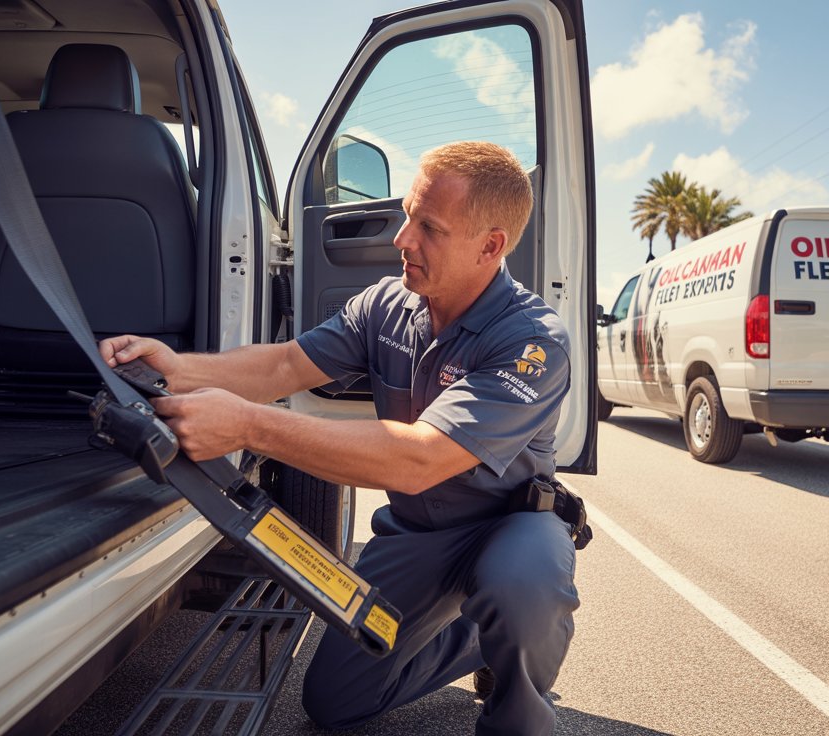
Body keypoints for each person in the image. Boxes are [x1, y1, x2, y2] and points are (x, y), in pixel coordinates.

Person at [100, 141, 579, 735]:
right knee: (334, 701)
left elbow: (420, 459)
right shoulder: (386, 305)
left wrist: (249, 425)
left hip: (509, 525)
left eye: (429, 227)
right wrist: (176, 369)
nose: (402, 240)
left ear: (491, 246)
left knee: (522, 587)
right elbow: (282, 367)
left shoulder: (534, 342)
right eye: (407, 214)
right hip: (420, 534)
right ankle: (478, 641)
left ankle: (520, 706)